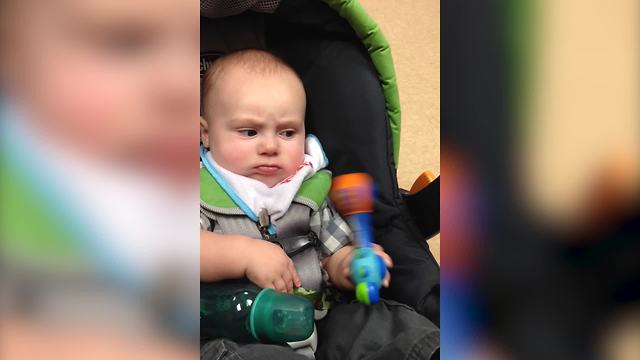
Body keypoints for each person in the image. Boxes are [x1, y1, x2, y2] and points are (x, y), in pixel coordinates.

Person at [200, 49, 439, 360]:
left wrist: (351, 265)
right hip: (235, 336)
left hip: (320, 323)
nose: (270, 146)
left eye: (287, 132)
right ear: (205, 133)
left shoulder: (309, 190)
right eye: (249, 131)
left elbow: (332, 255)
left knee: (380, 323)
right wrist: (243, 254)